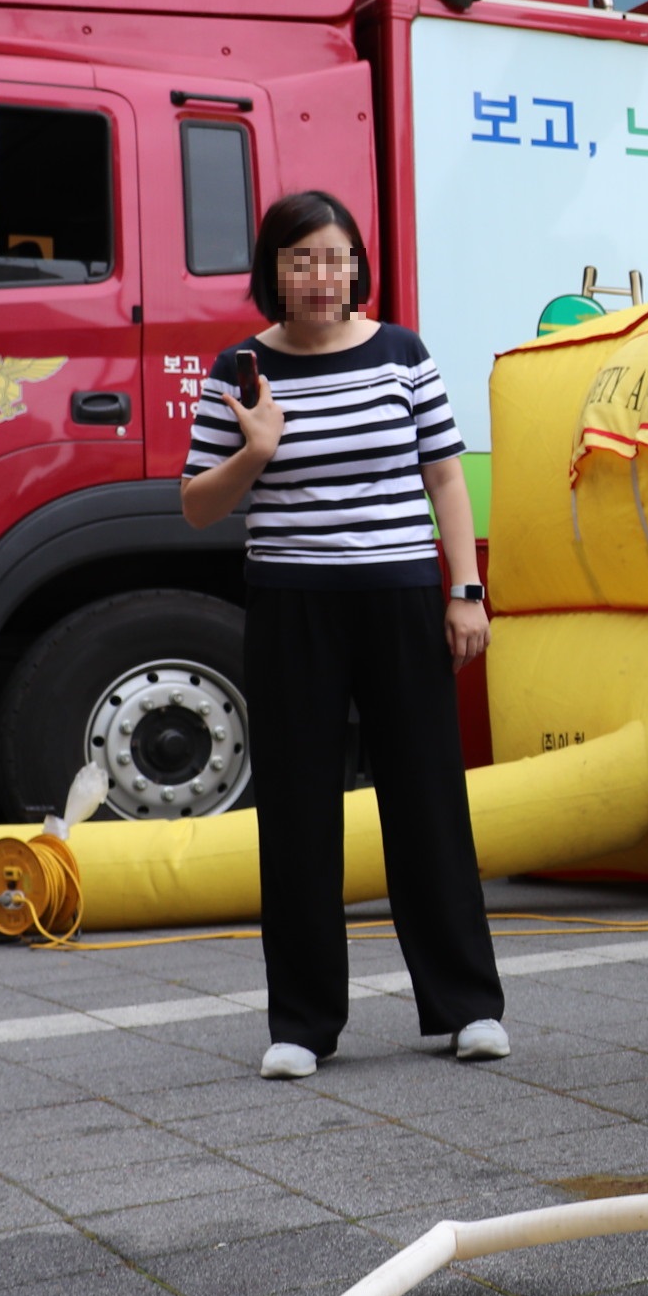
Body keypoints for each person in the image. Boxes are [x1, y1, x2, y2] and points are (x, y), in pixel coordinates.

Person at [180, 190, 504, 1081]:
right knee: (294, 812)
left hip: (402, 600)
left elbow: (445, 478)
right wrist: (255, 449)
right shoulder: (239, 369)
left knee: (427, 800)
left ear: (358, 266)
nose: (319, 276)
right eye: (299, 259)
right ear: (272, 272)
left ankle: (466, 1006)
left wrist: (464, 589)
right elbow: (197, 504)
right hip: (292, 609)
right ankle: (303, 1022)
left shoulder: (403, 354)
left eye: (334, 257)